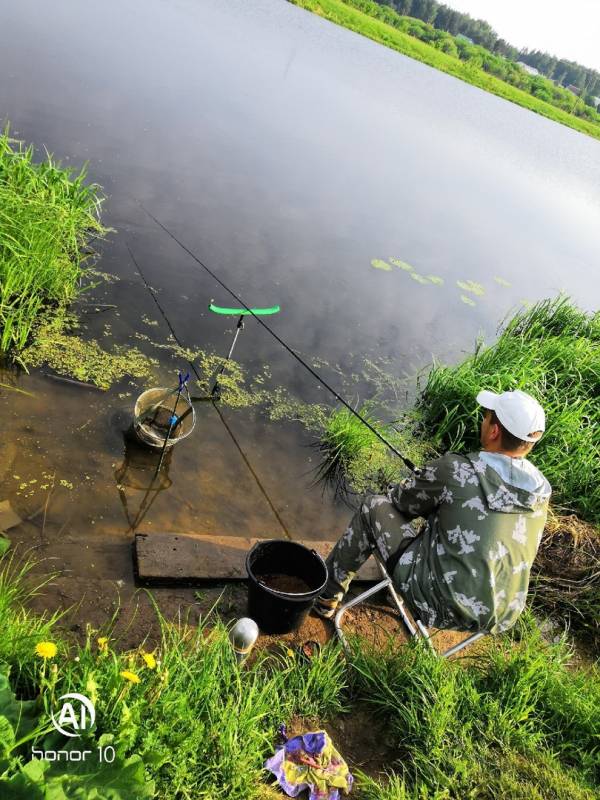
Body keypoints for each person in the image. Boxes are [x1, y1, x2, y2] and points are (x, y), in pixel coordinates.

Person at [314, 389, 552, 634]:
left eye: (487, 416)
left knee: (373, 507)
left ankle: (325, 597)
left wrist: (418, 484)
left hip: (439, 604)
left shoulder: (457, 469)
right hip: (502, 615)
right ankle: (392, 591)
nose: (483, 421)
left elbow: (401, 502)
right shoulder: (540, 491)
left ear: (494, 431)